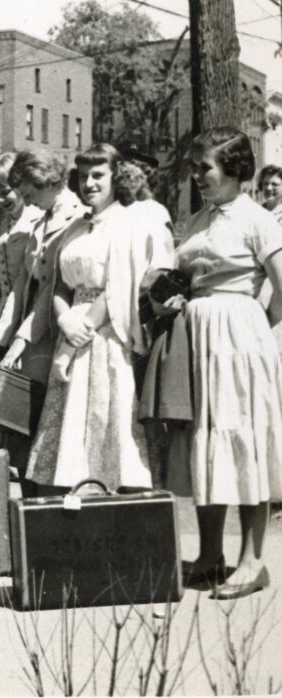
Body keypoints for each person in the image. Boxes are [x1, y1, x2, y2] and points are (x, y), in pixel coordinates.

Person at [163, 127, 282, 599]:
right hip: (197, 338)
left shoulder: (258, 220)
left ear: (234, 170)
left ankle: (253, 562)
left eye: (205, 168)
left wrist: (255, 324)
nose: (197, 177)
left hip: (239, 338)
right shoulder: (195, 222)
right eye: (194, 168)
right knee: (205, 441)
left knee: (243, 440)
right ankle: (210, 553)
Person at [25, 143, 166, 494]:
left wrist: (80, 331)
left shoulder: (128, 223)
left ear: (117, 176)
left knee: (107, 422)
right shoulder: (75, 227)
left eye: (98, 175)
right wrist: (64, 322)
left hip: (104, 335)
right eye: (84, 175)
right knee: (70, 429)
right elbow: (58, 286)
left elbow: (120, 284)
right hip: (70, 329)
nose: (89, 183)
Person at [0, 150, 88, 384]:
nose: (27, 203)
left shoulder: (78, 218)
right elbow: (22, 283)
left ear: (46, 181)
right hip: (32, 333)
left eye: (29, 194)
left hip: (58, 330)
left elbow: (53, 285)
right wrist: (0, 339)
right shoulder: (41, 221)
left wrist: (22, 338)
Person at [0, 152, 43, 362]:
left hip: (28, 322)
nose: (0, 199)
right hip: (2, 324)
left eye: (5, 191)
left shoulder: (37, 221)